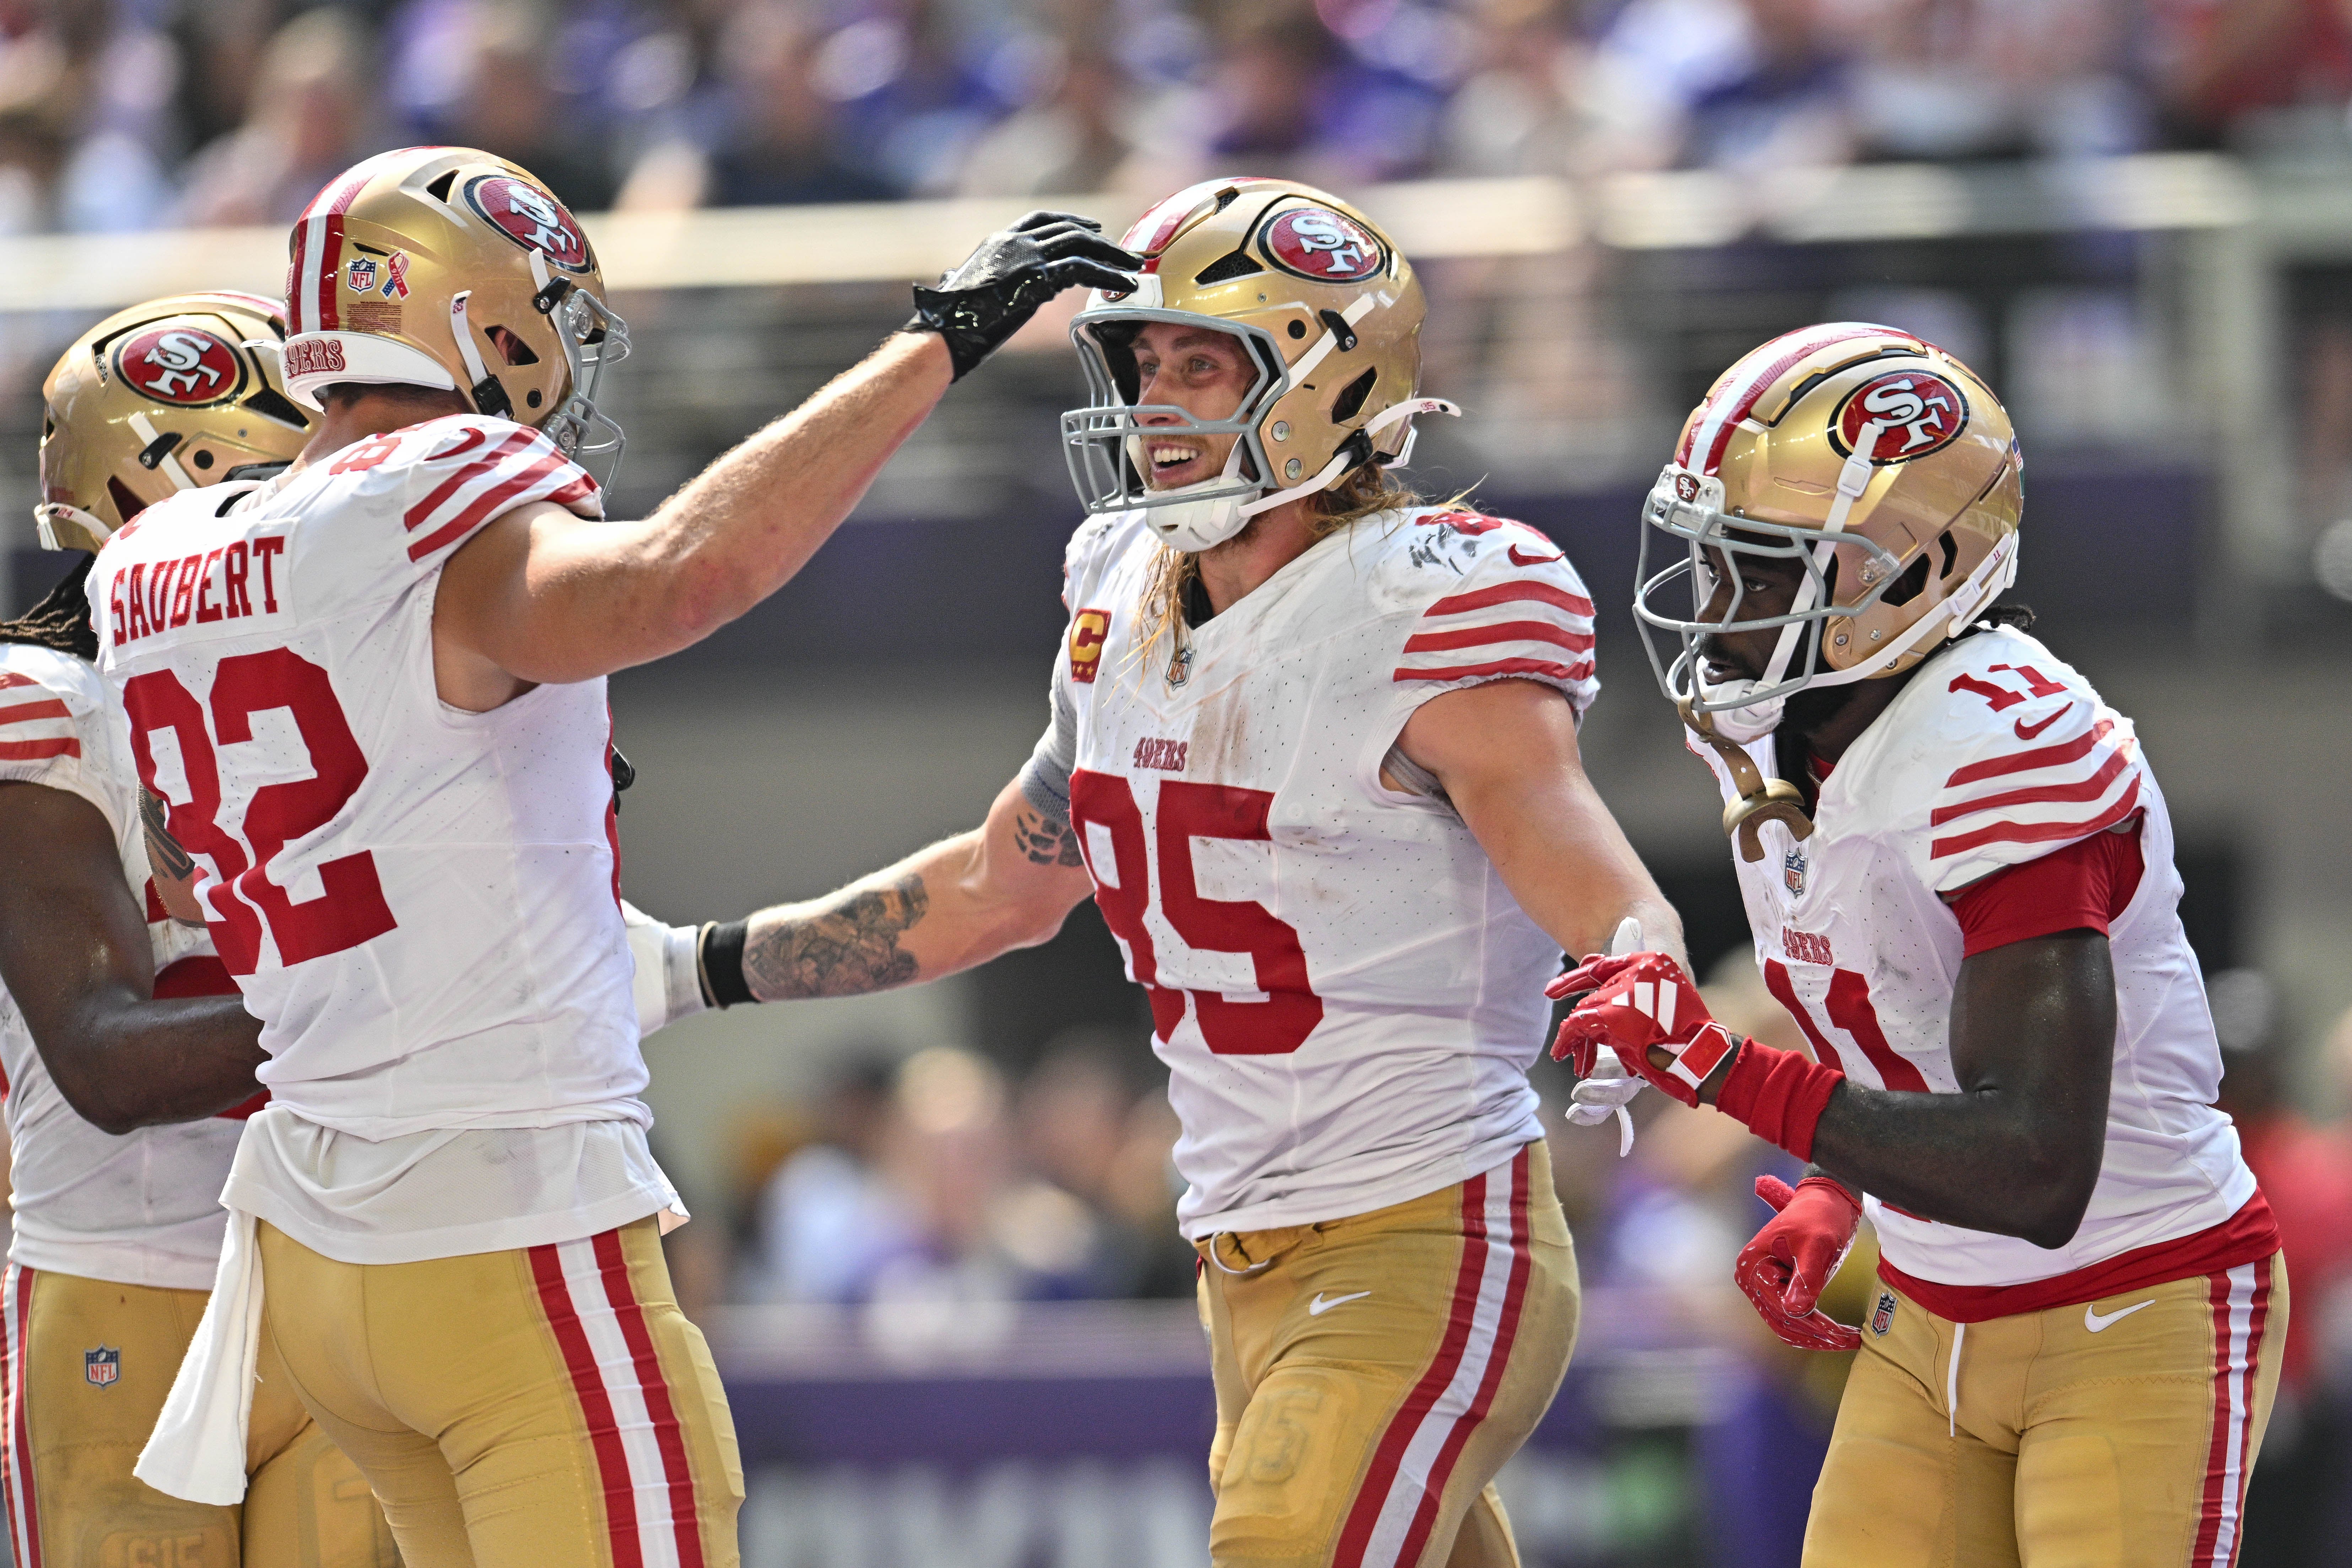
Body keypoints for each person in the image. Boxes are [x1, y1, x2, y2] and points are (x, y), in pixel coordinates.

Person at [87, 145, 1133, 1565]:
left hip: (321, 1258)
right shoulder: (432, 488)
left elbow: (178, 858)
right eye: (551, 321)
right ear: (475, 320)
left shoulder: (156, 560)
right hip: (505, 1232)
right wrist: (933, 340)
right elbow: (678, 578)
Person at [643, 176, 1682, 1566]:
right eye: (1142, 361)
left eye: (1203, 362)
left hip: (1421, 1237)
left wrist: (1640, 957)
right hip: (1235, 1260)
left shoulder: (1427, 599)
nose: (1155, 399)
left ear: (1327, 375)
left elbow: (1587, 864)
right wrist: (693, 965)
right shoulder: (1116, 584)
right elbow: (1000, 886)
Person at [1552, 322, 2284, 1566]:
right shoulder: (1793, 735)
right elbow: (1906, 1026)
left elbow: (2034, 1165)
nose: (1719, 611)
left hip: (2135, 1296)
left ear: (1913, 571)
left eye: (1768, 571)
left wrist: (1725, 1070)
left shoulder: (2008, 744)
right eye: (1715, 565)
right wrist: (1849, 1185)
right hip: (1928, 1310)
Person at [0, 291, 394, 1563]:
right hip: (132, 1278)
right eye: (284, 494)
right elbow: (107, 1057)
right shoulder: (39, 702)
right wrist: (419, 1007)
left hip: (343, 1273)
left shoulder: (367, 678)